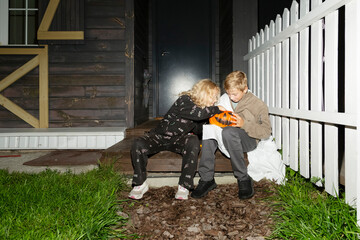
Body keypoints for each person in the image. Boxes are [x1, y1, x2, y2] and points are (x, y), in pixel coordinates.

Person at [129, 79, 226, 200]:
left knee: (193, 141)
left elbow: (199, 130)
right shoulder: (185, 100)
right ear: (204, 93)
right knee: (138, 143)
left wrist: (215, 124)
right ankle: (140, 184)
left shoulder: (204, 112)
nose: (215, 100)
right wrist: (217, 110)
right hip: (159, 136)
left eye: (216, 98)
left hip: (178, 139)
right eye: (213, 97)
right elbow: (197, 114)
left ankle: (184, 185)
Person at [191, 71, 272, 199]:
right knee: (209, 128)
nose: (231, 97)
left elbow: (266, 131)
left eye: (234, 94)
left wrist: (244, 123)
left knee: (229, 131)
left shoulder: (257, 104)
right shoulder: (224, 100)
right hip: (226, 137)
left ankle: (243, 178)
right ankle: (206, 179)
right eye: (228, 93)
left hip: (248, 140)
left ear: (245, 89)